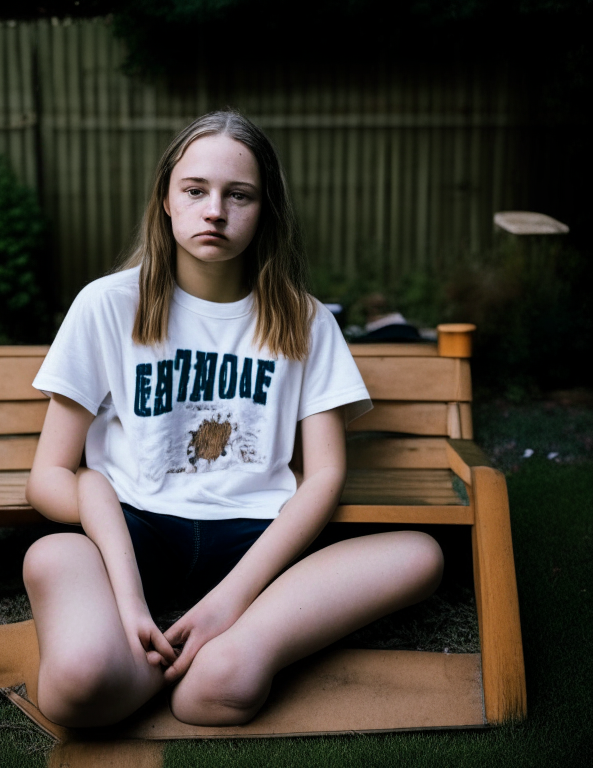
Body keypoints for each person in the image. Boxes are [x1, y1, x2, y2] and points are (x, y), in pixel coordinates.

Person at [23, 110, 444, 729]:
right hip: (134, 529)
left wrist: (233, 600)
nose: (214, 210)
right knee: (55, 573)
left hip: (253, 538)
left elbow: (324, 477)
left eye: (237, 195)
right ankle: (147, 663)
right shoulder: (108, 304)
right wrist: (125, 587)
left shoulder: (303, 321)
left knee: (420, 554)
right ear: (166, 199)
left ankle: (239, 653)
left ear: (264, 210)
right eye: (195, 190)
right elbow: (51, 476)